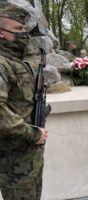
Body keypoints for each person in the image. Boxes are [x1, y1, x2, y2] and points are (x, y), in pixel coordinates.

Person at [0, 3, 48, 199]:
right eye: (18, 29)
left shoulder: (18, 60)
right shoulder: (2, 63)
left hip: (31, 156)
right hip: (14, 162)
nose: (24, 34)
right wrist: (32, 133)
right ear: (1, 32)